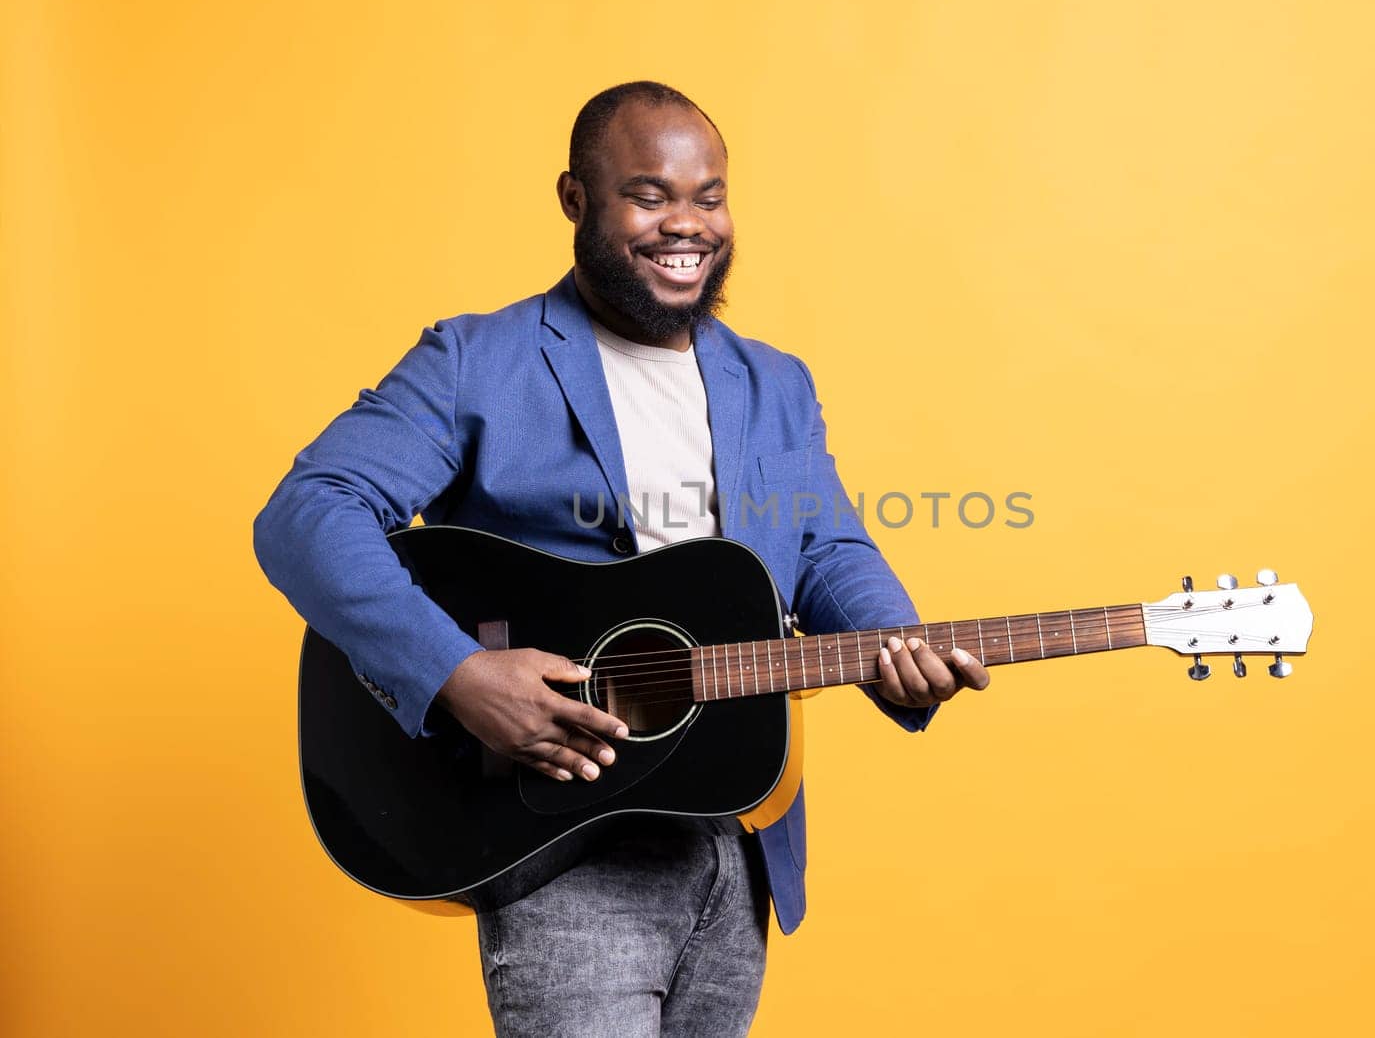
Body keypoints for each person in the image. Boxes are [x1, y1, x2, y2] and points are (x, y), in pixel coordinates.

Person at [254, 81, 991, 1037]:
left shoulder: (775, 382)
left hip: (738, 837)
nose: (687, 225)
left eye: (709, 196)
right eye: (649, 196)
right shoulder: (477, 360)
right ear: (575, 200)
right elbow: (307, 513)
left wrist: (896, 649)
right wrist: (457, 675)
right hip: (563, 841)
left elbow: (825, 543)